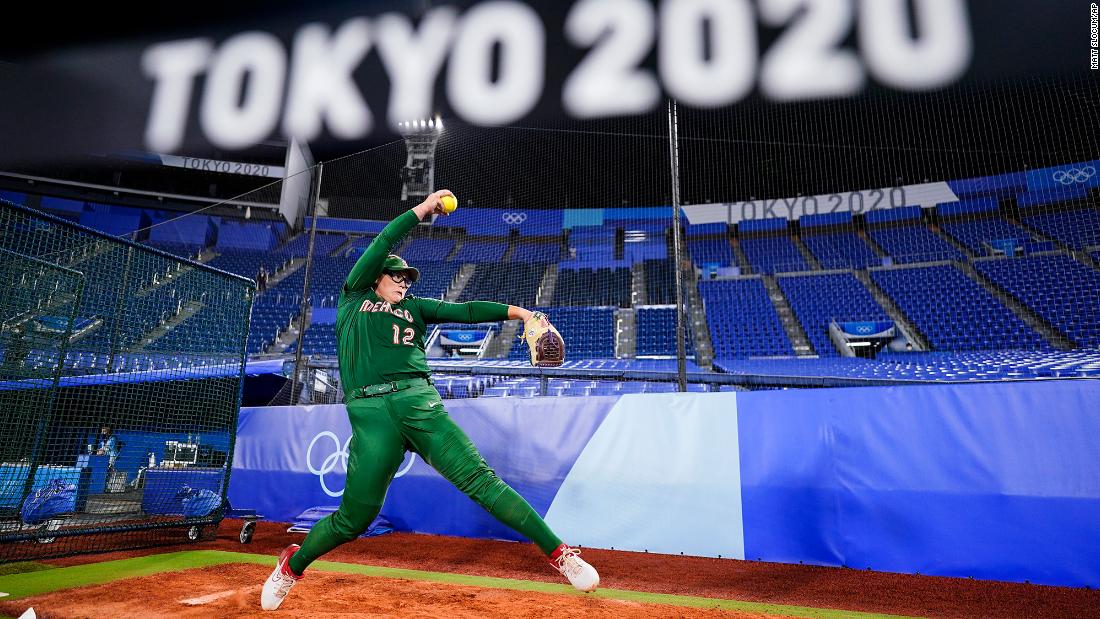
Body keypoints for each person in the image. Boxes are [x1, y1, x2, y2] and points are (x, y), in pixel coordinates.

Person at [261, 190, 598, 611]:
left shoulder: (416, 309)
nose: (404, 281)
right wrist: (423, 210)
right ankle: (292, 566)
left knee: (480, 480)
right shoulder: (353, 298)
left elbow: (469, 311)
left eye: (408, 278)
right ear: (375, 277)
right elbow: (385, 241)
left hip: (418, 402)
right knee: (354, 519)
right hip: (370, 415)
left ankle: (560, 554)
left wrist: (523, 315)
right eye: (397, 276)